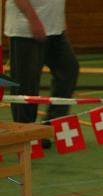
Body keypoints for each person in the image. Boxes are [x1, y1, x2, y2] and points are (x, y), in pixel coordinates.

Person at [5, 0, 79, 144]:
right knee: (26, 84)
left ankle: (49, 126)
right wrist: (34, 21)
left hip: (54, 28)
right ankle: (25, 133)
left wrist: (60, 20)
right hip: (26, 30)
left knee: (69, 70)